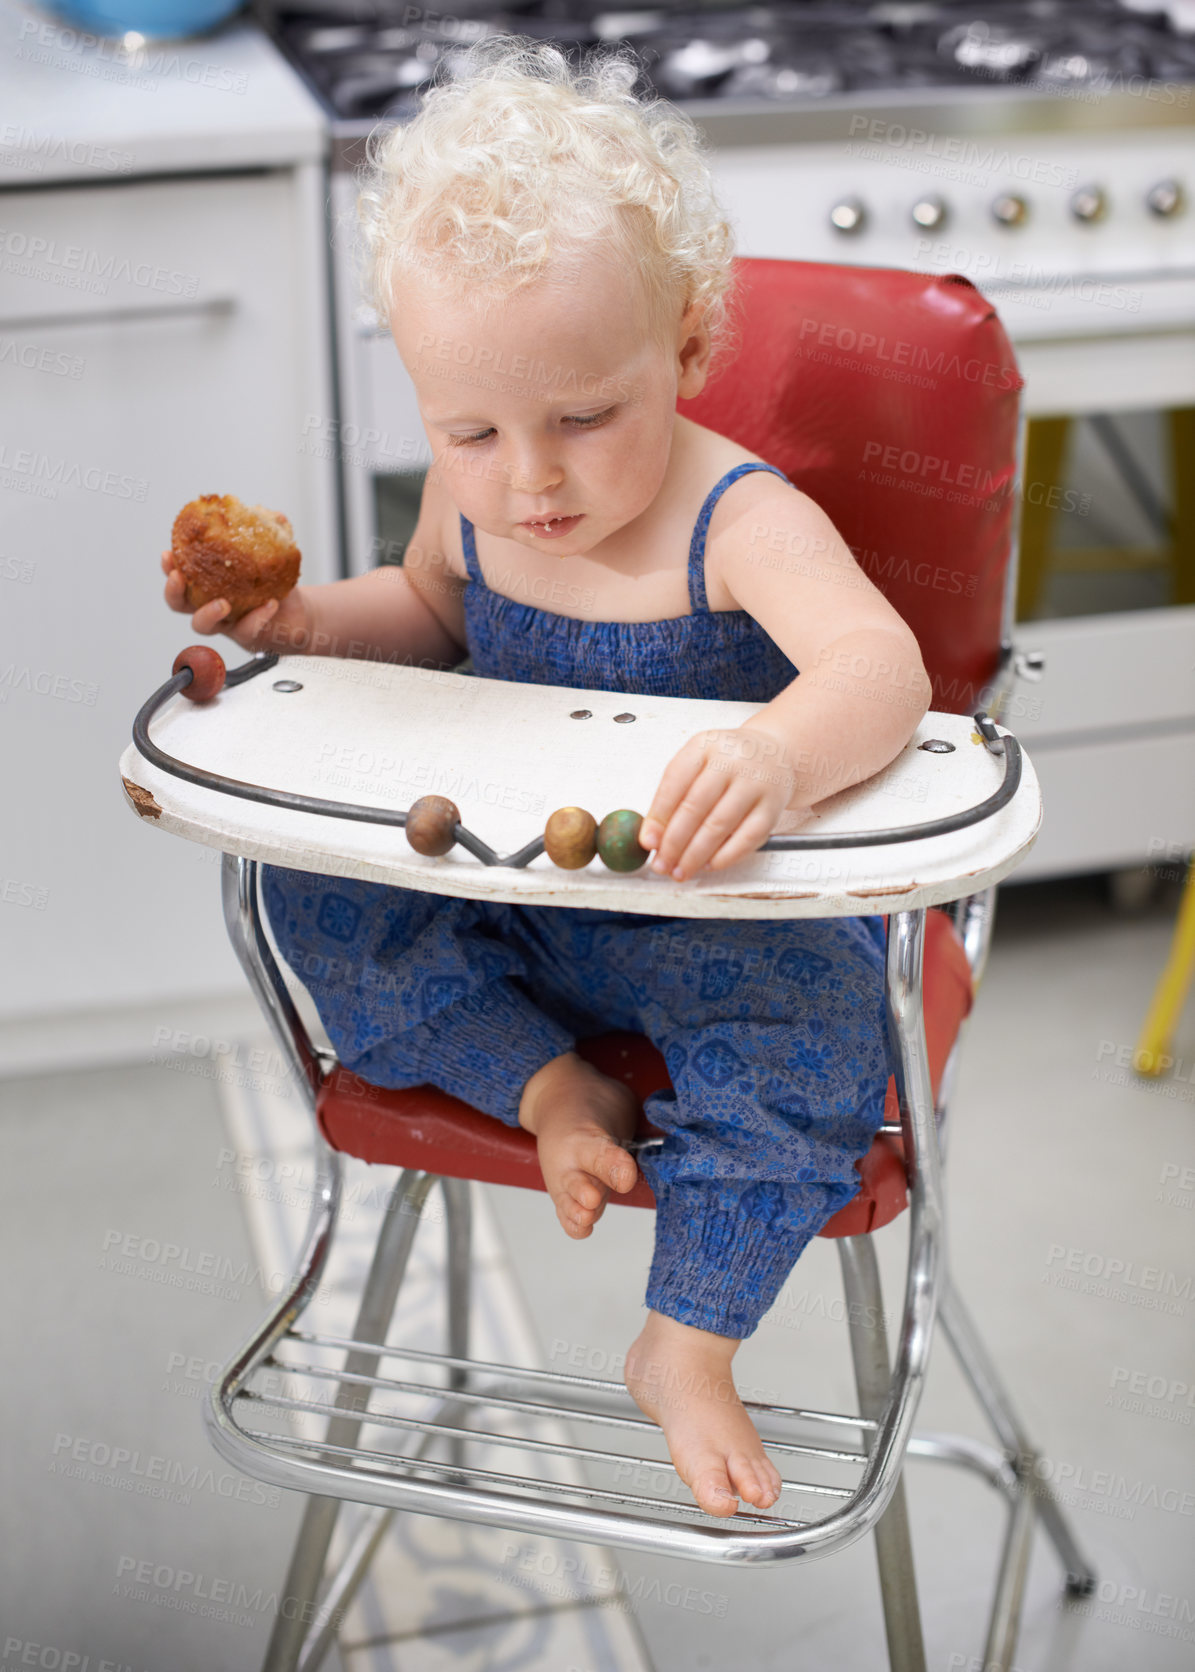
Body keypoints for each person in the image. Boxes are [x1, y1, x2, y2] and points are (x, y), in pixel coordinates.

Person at [161, 36, 931, 1520]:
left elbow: (881, 667)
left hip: (722, 922)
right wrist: (309, 622)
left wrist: (775, 751)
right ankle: (550, 1083)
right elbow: (433, 614)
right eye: (472, 431)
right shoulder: (483, 499)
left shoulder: (736, 519)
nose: (532, 480)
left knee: (819, 1048)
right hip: (517, 900)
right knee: (310, 886)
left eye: (583, 418)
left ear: (689, 346)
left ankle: (688, 1340)